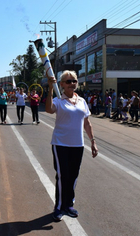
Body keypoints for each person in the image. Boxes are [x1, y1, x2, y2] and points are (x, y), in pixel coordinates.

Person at [45, 70, 98, 221]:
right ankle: (59, 207)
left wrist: (93, 141)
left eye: (74, 81)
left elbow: (87, 123)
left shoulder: (82, 101)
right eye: (68, 81)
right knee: (63, 176)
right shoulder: (58, 100)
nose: (72, 84)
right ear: (61, 84)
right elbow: (49, 109)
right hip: (60, 143)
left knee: (73, 175)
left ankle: (69, 204)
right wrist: (50, 88)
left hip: (77, 144)